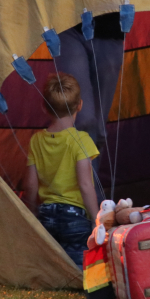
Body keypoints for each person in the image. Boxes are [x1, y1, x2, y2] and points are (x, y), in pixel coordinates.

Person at [22, 73, 100, 266]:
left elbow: (30, 185)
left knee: (52, 264)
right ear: (79, 105)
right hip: (74, 217)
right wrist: (96, 218)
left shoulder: (36, 140)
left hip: (46, 215)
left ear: (44, 107)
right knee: (78, 267)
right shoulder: (82, 140)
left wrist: (32, 212)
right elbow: (85, 184)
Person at [58, 13, 125, 198]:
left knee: (99, 131)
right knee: (83, 120)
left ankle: (88, 200)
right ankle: (90, 202)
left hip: (109, 30)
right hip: (68, 24)